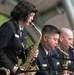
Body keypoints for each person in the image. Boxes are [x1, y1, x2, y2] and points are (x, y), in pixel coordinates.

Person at [0, 0, 38, 75]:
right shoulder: (8, 27)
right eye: (31, 15)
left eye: (33, 16)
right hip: (3, 69)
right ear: (23, 14)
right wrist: (12, 67)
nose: (32, 19)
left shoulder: (24, 31)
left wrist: (29, 52)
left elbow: (17, 52)